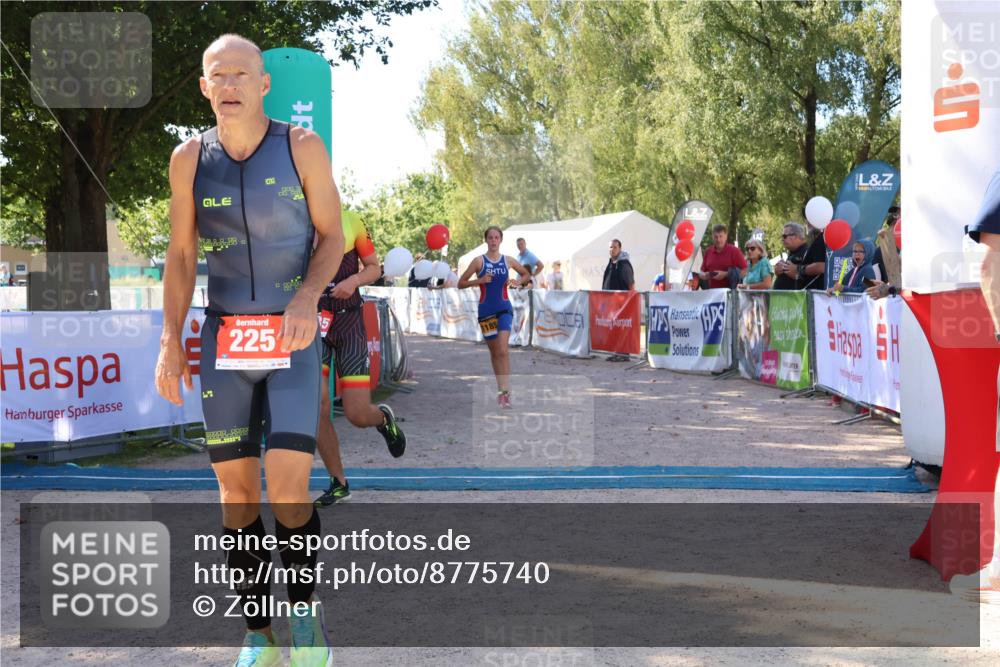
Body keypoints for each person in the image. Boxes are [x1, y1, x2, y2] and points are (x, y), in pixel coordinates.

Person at [155, 35, 341, 666]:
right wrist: (170, 342)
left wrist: (307, 297)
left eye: (241, 73)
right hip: (225, 337)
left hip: (291, 337)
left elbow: (333, 237)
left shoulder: (302, 147)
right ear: (205, 88)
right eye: (217, 75)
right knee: (235, 497)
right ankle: (258, 634)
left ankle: (306, 614)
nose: (229, 83)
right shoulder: (188, 159)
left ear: (264, 84)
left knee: (288, 491)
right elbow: (181, 256)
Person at [313, 210, 405, 508]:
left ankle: (382, 419)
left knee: (356, 413)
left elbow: (374, 268)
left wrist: (352, 281)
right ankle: (338, 483)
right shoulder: (295, 219)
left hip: (349, 322)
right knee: (317, 406)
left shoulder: (350, 219)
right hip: (314, 324)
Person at [458, 226, 532, 408]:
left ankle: (505, 393)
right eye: (490, 238)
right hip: (486, 311)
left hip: (504, 309)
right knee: (494, 352)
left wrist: (518, 281)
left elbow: (526, 274)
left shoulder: (507, 261)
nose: (493, 241)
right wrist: (479, 281)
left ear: (500, 240)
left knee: (503, 349)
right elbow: (461, 283)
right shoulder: (478, 262)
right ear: (486, 240)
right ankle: (501, 390)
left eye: (496, 237)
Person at [773, 222, 826, 290]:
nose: (782, 239)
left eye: (785, 236)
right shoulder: (793, 252)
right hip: (784, 297)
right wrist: (779, 270)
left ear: (796, 236)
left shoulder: (807, 251)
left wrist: (798, 270)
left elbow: (820, 267)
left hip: (798, 298)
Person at [699, 224, 747, 289]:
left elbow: (745, 271)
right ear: (712, 237)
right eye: (716, 237)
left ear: (726, 237)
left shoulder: (734, 251)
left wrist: (726, 274)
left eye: (721, 236)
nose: (718, 240)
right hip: (711, 294)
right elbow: (701, 271)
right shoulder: (708, 252)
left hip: (730, 294)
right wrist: (703, 275)